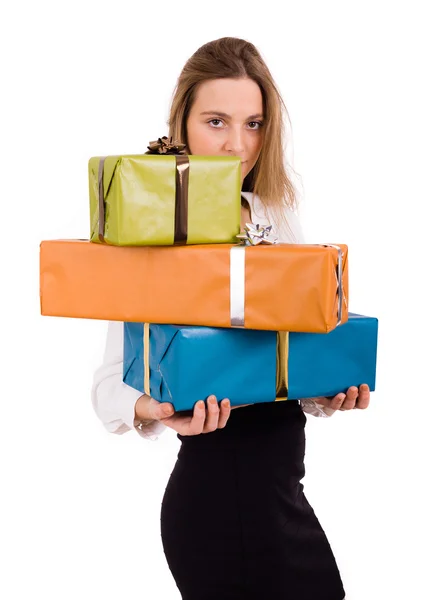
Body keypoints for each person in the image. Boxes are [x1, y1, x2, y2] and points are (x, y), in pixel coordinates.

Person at [91, 37, 370, 600]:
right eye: (216, 121)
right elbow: (108, 384)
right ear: (184, 124)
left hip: (282, 490)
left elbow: (285, 359)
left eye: (254, 123)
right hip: (220, 500)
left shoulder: (276, 212)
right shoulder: (157, 228)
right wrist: (160, 410)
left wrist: (327, 393)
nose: (238, 145)